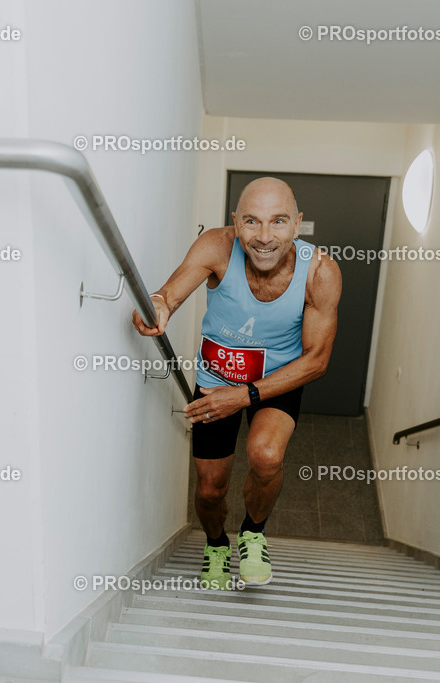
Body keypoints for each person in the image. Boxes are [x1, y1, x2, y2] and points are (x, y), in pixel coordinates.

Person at [133, 177, 341, 588]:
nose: (264, 236)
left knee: (266, 454)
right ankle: (216, 544)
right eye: (251, 221)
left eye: (278, 221)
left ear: (297, 223)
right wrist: (158, 305)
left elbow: (316, 361)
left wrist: (244, 395)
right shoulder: (216, 246)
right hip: (216, 380)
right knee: (210, 490)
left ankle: (253, 533)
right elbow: (169, 295)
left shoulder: (320, 271)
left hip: (277, 380)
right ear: (235, 222)